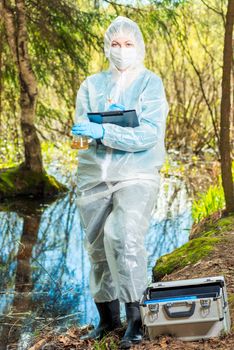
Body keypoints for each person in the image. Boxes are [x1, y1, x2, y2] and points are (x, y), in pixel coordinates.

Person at [71, 16, 169, 349]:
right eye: (115, 44)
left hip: (136, 175)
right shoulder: (91, 85)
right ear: (106, 46)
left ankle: (136, 321)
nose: (121, 50)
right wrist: (83, 135)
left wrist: (106, 130)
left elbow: (149, 134)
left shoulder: (149, 84)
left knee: (123, 235)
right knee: (98, 248)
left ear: (138, 47)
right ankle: (108, 320)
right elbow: (81, 133)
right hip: (95, 176)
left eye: (128, 44)